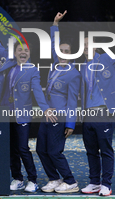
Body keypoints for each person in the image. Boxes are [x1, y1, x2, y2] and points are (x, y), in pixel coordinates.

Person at [0, 18, 55, 193]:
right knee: (11, 149)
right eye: (19, 49)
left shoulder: (32, 70)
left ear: (29, 54)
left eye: (26, 50)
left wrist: (45, 108)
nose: (23, 52)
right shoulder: (8, 63)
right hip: (6, 113)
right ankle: (17, 178)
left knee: (23, 148)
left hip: (22, 115)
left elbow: (37, 91)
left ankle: (32, 179)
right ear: (14, 52)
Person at [80, 31, 115, 196]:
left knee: (105, 149)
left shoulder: (105, 59)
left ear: (96, 46)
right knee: (91, 150)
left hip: (104, 111)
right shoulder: (82, 65)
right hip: (88, 114)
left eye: (90, 43)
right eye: (84, 45)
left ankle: (106, 184)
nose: (87, 46)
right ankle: (94, 182)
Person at [36, 11, 80, 193]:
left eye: (66, 51)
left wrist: (70, 123)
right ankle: (54, 178)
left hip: (60, 117)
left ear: (72, 54)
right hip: (47, 116)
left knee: (54, 152)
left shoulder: (74, 74)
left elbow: (72, 102)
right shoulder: (56, 66)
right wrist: (55, 23)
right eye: (61, 51)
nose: (62, 53)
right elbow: (54, 44)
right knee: (40, 149)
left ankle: (70, 181)